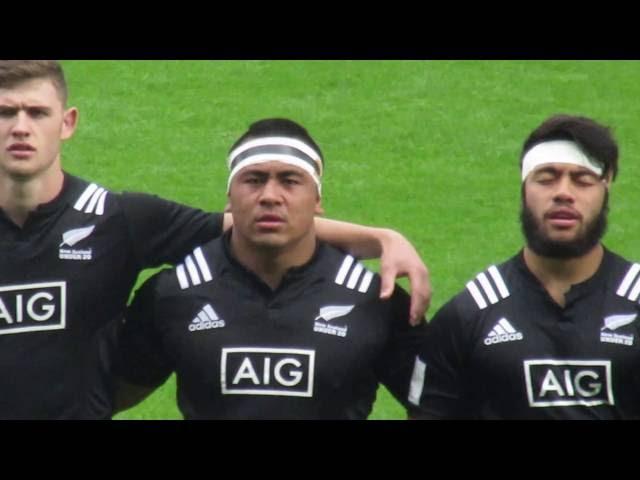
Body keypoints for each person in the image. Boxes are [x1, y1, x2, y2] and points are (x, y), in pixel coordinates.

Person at [0, 60, 430, 419]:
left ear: (67, 122)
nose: (20, 128)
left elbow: (246, 225)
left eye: (36, 112)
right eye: (6, 112)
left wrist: (382, 239)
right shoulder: (173, 297)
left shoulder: (121, 220)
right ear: (232, 193)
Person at [113, 118, 428, 419]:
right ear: (229, 196)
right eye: (254, 180)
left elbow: (438, 406)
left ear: (317, 199)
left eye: (290, 181)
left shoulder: (375, 300)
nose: (269, 196)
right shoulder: (174, 293)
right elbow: (104, 397)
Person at [413, 113, 640, 419]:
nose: (564, 193)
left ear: (605, 190)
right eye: (546, 178)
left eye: (582, 180)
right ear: (524, 189)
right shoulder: (470, 314)